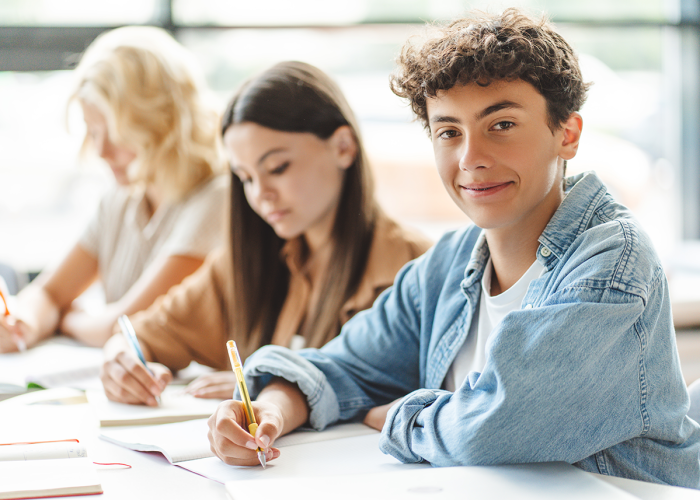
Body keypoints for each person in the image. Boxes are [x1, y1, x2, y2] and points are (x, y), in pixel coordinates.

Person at [206, 9, 700, 488]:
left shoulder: (612, 260)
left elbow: (499, 425)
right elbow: (342, 367)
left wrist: (395, 414)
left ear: (566, 135)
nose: (471, 158)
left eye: (501, 125)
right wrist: (269, 409)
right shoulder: (446, 264)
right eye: (448, 132)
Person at [98, 61, 432, 406]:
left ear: (343, 147)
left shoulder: (415, 266)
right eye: (246, 178)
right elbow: (145, 333)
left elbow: (419, 396)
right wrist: (120, 358)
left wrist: (270, 381)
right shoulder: (247, 260)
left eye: (277, 168)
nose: (260, 194)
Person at [0, 26, 228, 352]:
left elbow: (124, 326)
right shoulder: (122, 198)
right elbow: (49, 293)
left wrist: (67, 318)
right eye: (93, 132)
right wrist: (22, 322)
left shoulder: (217, 198)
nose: (101, 151)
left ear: (158, 121)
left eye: (116, 132)